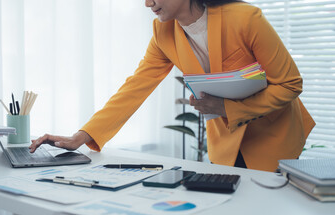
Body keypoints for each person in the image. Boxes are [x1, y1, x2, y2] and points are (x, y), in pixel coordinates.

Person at [30, 0, 315, 172]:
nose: (146, 3)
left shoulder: (245, 18)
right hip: (226, 145)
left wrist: (228, 107)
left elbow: (290, 84)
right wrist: (81, 136)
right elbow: (135, 87)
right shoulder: (163, 32)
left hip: (274, 139)